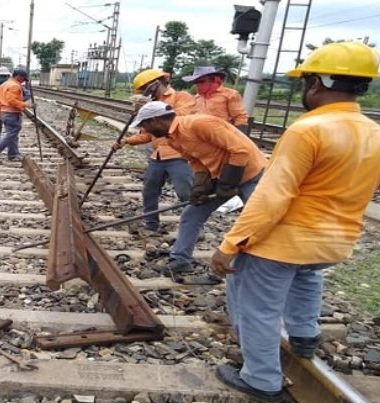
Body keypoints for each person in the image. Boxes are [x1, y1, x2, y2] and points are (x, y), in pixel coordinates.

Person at [210, 42, 380, 403]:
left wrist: (231, 245)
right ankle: (304, 336)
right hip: (334, 243)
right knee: (307, 276)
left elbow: (273, 195)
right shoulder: (374, 132)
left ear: (316, 83)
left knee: (256, 307)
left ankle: (261, 379)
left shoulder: (308, 130)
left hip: (284, 242)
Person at [129, 101, 267, 274]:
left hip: (251, 174)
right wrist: (200, 185)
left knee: (258, 219)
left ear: (155, 120)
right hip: (222, 175)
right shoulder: (172, 139)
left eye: (145, 125)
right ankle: (180, 259)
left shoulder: (200, 124)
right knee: (192, 213)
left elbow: (240, 150)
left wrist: (228, 184)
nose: (146, 131)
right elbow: (196, 161)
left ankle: (262, 265)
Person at [112, 69, 196, 233]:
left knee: (185, 193)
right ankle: (151, 224)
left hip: (179, 155)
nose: (145, 93)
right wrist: (125, 141)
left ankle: (192, 229)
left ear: (155, 84)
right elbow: (147, 135)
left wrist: (153, 108)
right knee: (149, 191)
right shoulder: (150, 105)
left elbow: (181, 118)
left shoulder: (181, 97)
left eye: (145, 89)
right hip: (157, 156)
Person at [183, 66, 249, 134]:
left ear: (214, 80)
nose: (198, 84)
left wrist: (239, 137)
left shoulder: (230, 95)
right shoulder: (196, 98)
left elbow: (240, 117)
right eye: (196, 82)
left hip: (221, 135)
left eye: (201, 81)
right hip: (199, 136)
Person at [0, 68, 29, 165]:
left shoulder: (3, 85)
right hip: (12, 113)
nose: (23, 81)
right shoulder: (15, 86)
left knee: (12, 133)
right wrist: (25, 105)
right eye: (23, 79)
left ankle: (13, 154)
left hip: (4, 113)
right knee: (11, 135)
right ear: (19, 77)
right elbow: (11, 101)